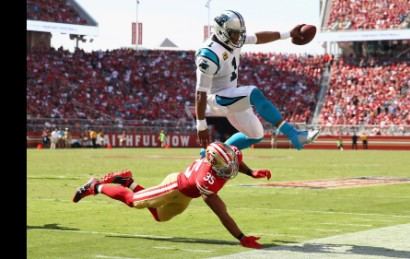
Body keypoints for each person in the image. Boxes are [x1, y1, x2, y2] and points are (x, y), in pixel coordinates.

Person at [72, 142, 271, 249]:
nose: (232, 169)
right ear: (212, 164)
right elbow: (222, 213)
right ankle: (95, 186)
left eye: (232, 164)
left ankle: (127, 182)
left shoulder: (230, 154)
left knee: (159, 216)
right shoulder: (205, 179)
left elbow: (236, 162)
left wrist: (251, 172)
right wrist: (241, 237)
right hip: (174, 186)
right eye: (226, 167)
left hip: (186, 195)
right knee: (133, 201)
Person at [194, 10, 320, 151]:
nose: (238, 37)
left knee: (256, 135)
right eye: (234, 34)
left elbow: (258, 38)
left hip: (231, 94)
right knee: (253, 93)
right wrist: (201, 125)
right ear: (221, 32)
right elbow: (200, 92)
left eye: (239, 33)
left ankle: (209, 155)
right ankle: (294, 134)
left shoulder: (232, 39)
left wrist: (288, 34)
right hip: (215, 100)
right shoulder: (208, 54)